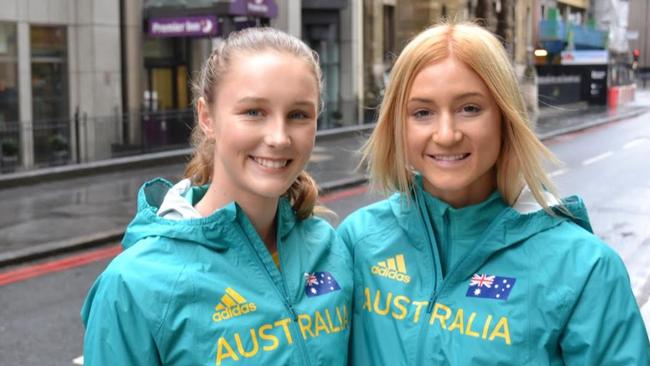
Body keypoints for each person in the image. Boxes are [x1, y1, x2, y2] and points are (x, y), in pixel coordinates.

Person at [338, 21, 649, 365]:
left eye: (469, 108)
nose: (446, 134)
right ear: (398, 125)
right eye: (422, 112)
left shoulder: (586, 268)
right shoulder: (358, 241)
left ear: (505, 116)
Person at [81, 27, 352, 366]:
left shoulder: (328, 247)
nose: (279, 137)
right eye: (254, 111)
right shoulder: (133, 284)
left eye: (298, 115)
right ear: (207, 117)